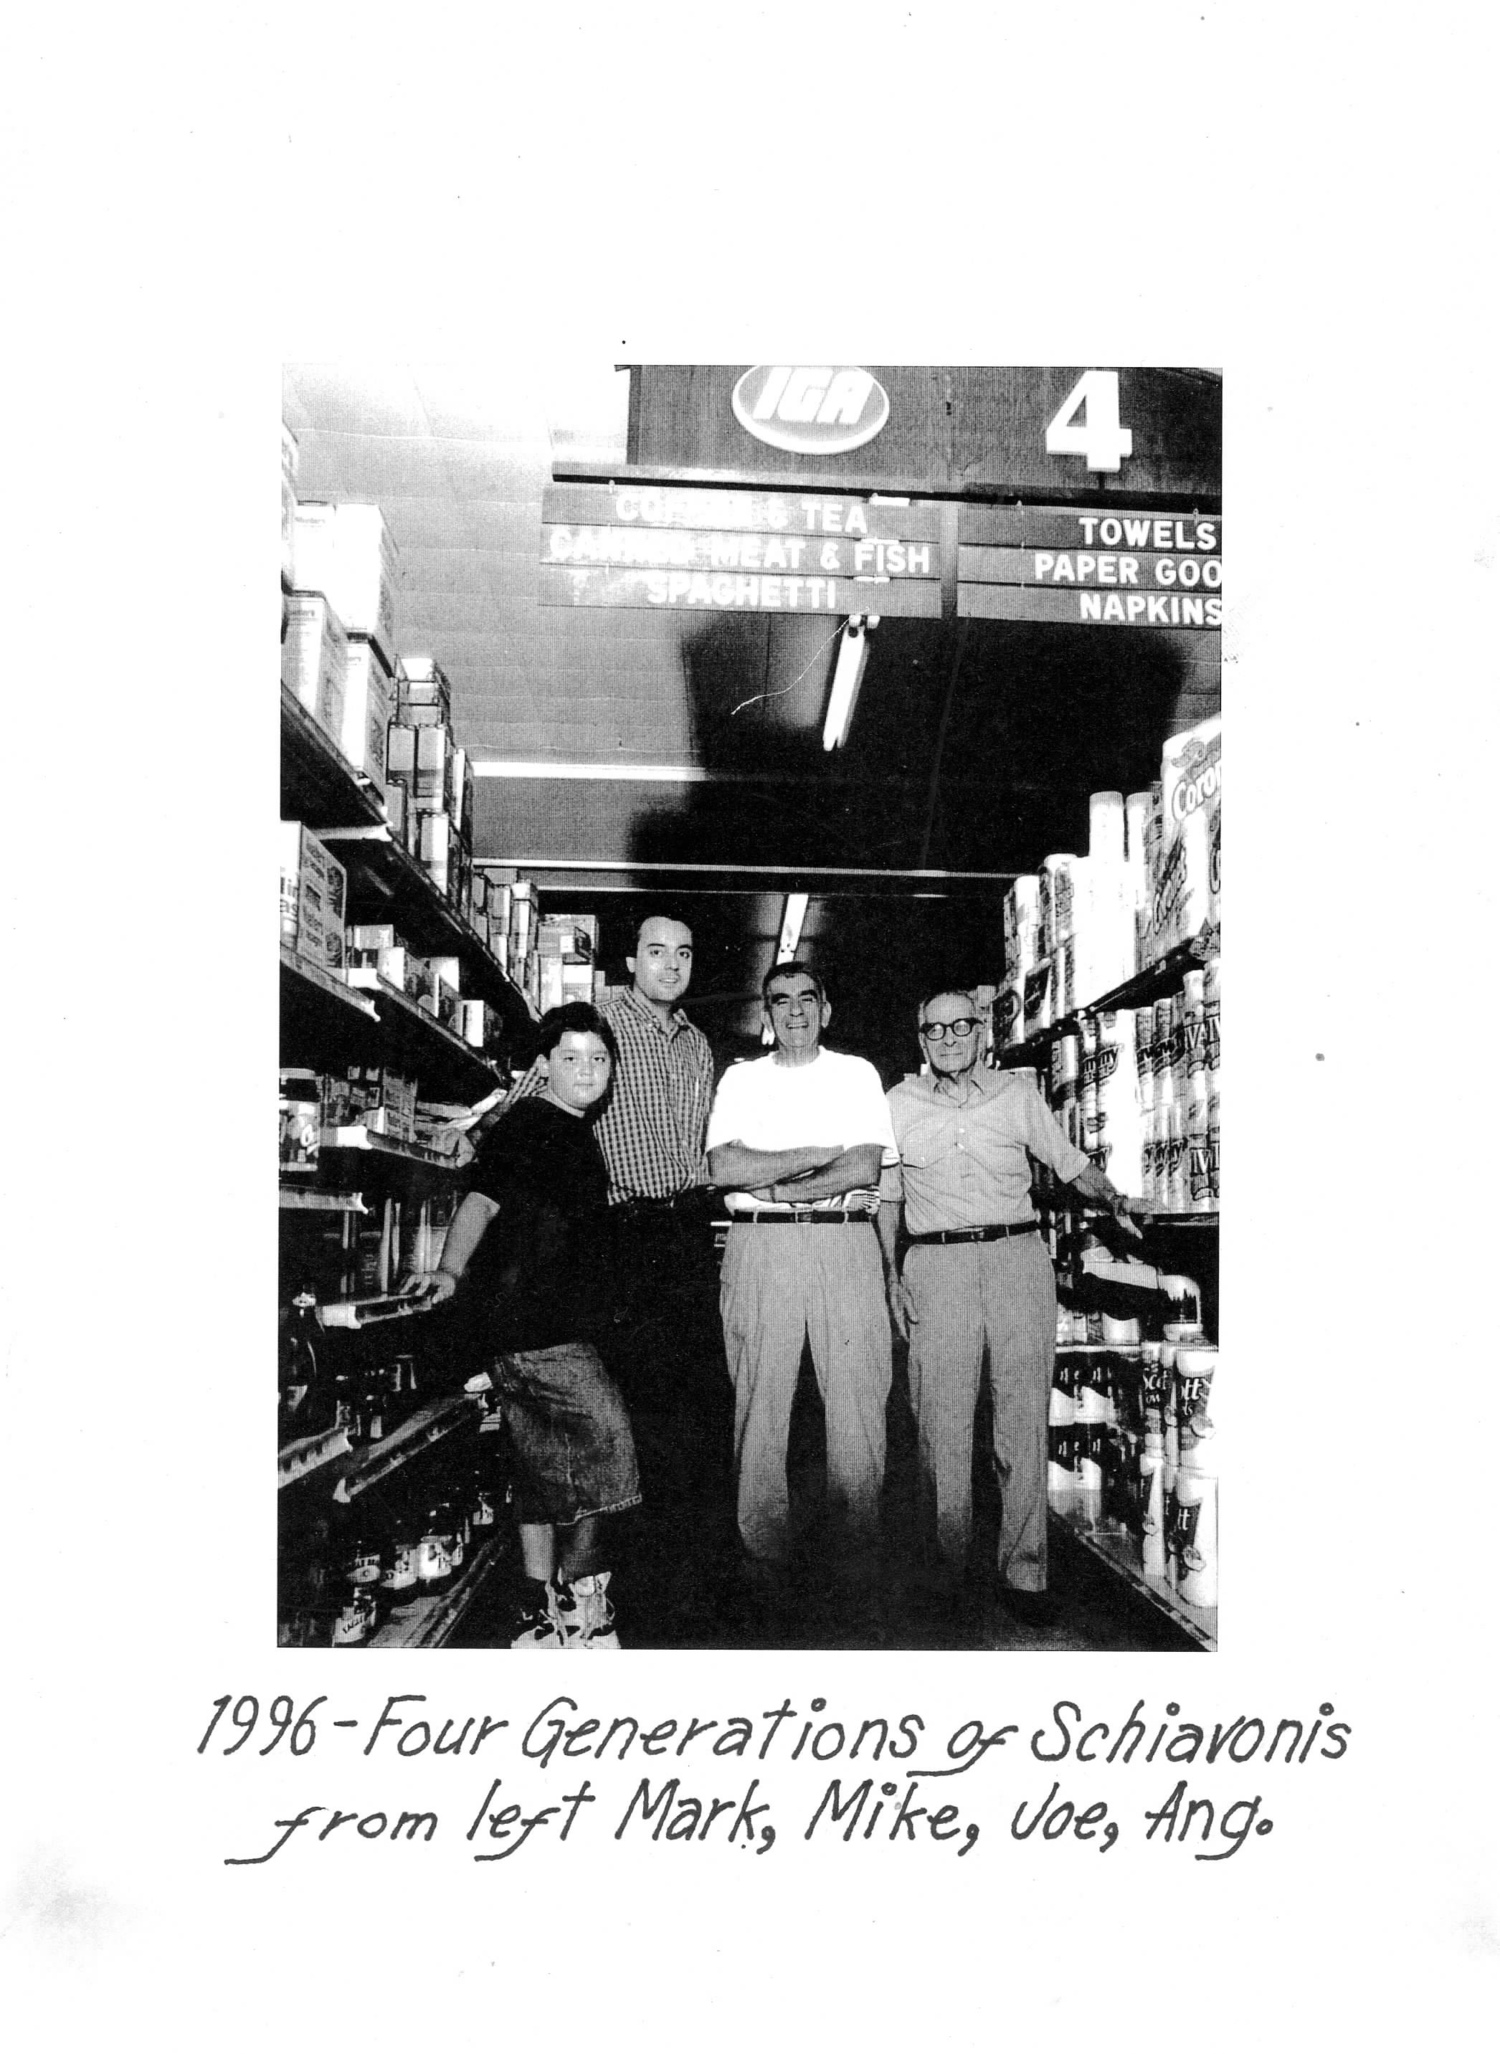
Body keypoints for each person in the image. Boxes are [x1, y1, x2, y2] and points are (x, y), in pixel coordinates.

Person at [877, 985, 1142, 1632]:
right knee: (941, 1430)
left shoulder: (1016, 1096)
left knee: (1021, 1426)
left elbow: (1070, 1164)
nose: (947, 1040)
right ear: (921, 1041)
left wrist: (1114, 1201)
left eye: (958, 1027)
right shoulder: (896, 1105)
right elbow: (887, 1199)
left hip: (1017, 1260)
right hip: (934, 1266)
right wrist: (889, 1276)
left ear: (980, 1033)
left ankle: (1026, 1572)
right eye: (933, 1031)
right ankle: (946, 1576)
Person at [506, 913, 730, 1634]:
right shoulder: (594, 1023)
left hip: (687, 1234)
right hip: (620, 1240)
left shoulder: (699, 1045)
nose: (671, 964)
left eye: (684, 953)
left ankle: (672, 1592)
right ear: (631, 959)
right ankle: (596, 1593)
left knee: (692, 1413)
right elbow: (523, 1115)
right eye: (657, 951)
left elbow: (699, 1151)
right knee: (622, 1417)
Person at [403, 1003, 639, 1650]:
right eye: (570, 1059)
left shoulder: (567, 1128)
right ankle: (587, 1606)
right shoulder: (533, 1123)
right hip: (539, 1329)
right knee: (611, 1453)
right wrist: (450, 1270)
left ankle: (537, 1615)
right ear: (543, 1066)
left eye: (598, 1059)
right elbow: (482, 1199)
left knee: (538, 1464)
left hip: (524, 1328)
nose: (587, 1070)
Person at [706, 961, 898, 1620]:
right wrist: (818, 1153)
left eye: (806, 999)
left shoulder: (857, 1074)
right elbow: (724, 1165)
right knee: (759, 1404)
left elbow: (865, 1164)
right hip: (760, 1245)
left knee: (858, 1405)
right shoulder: (740, 1078)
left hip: (846, 1239)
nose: (794, 1012)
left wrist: (779, 1180)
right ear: (766, 1012)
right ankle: (762, 1559)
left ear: (826, 1008)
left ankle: (859, 1559)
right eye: (779, 1001)